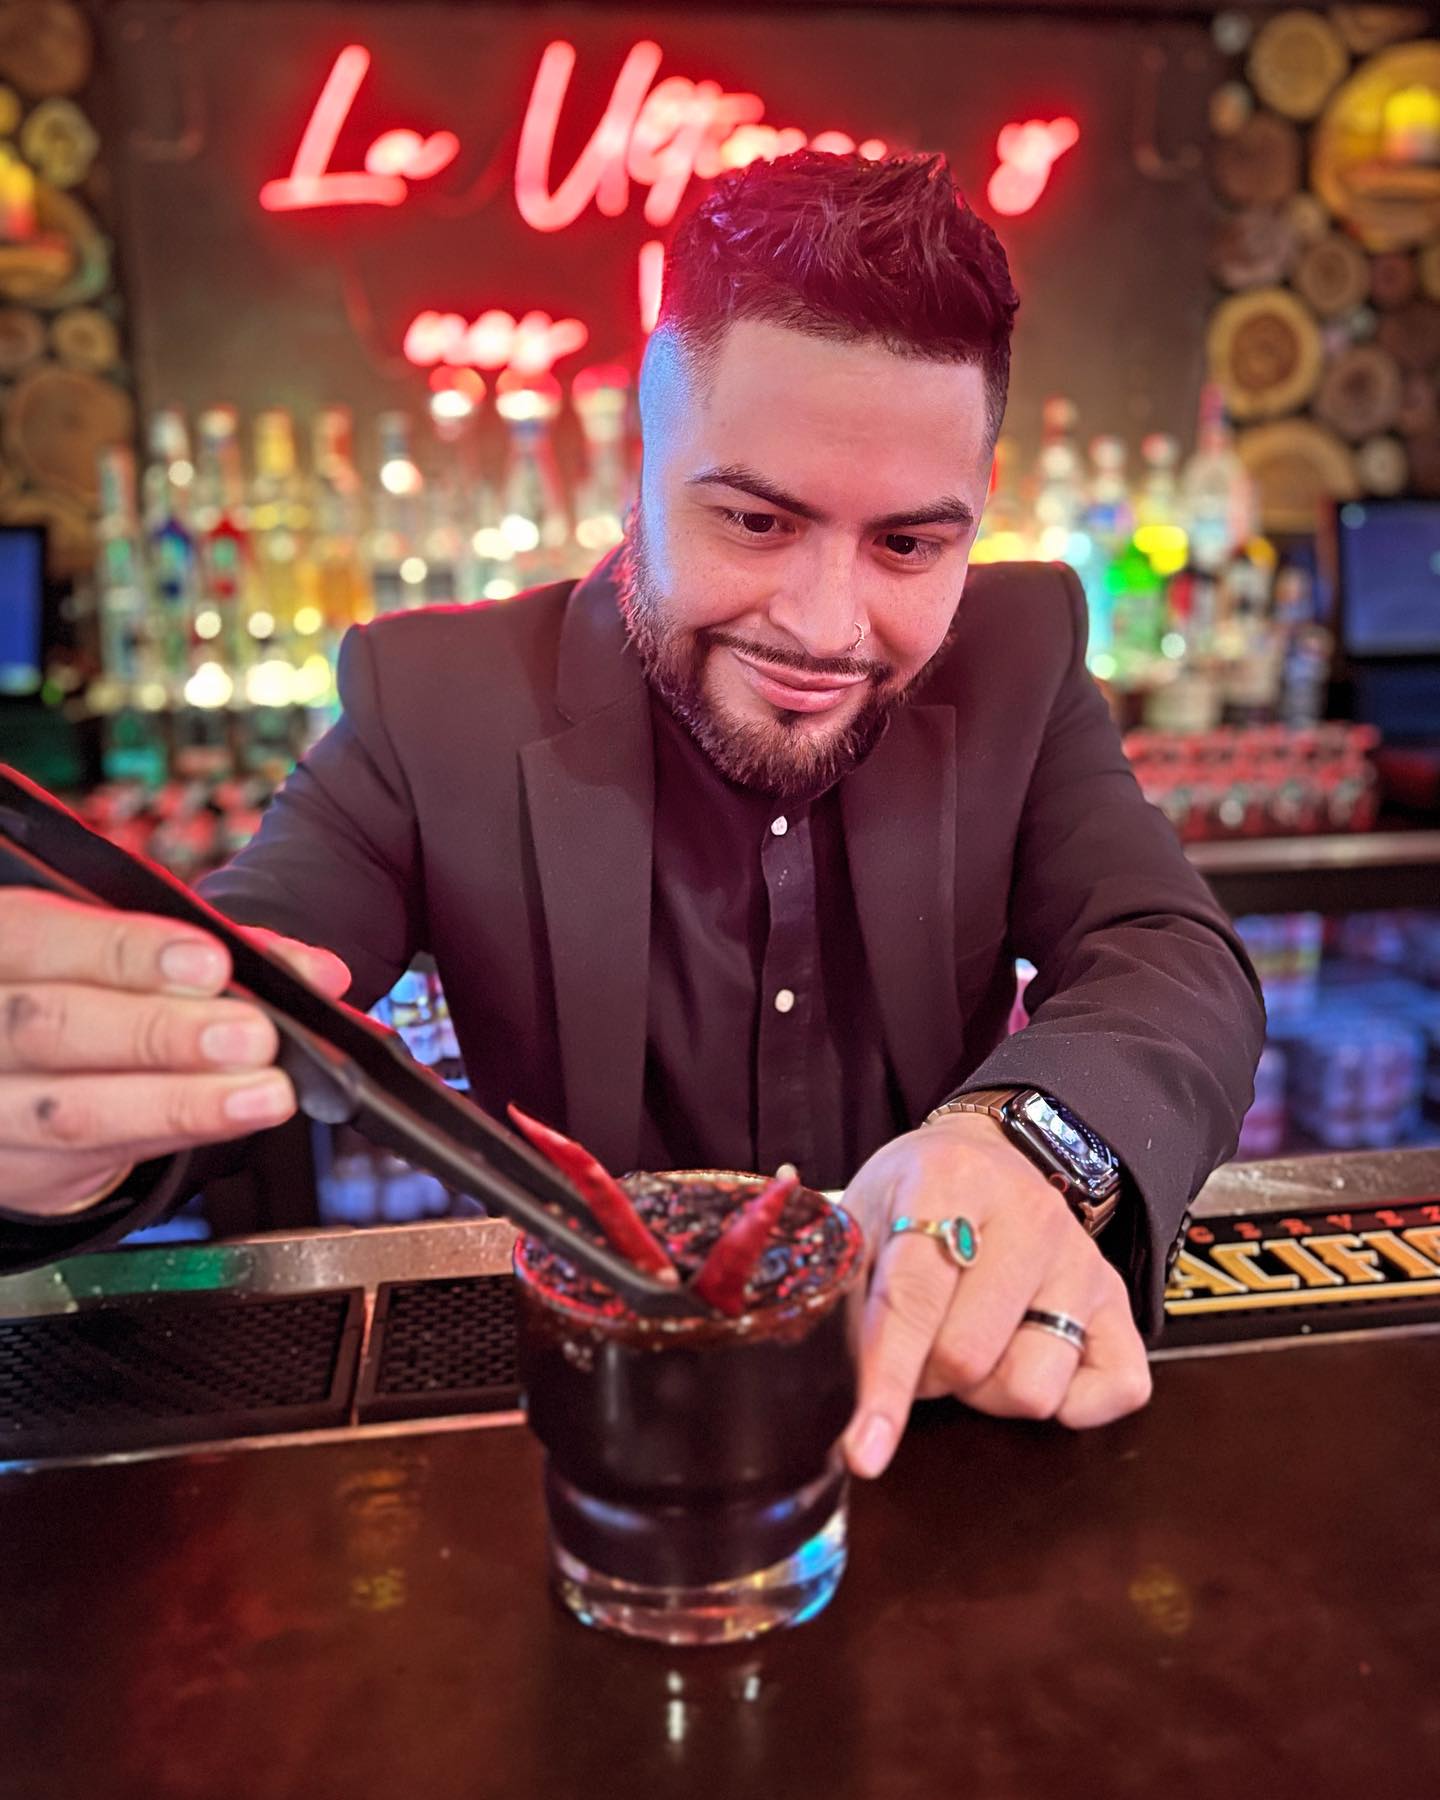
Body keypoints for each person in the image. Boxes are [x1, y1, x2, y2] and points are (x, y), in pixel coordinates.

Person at [0, 151, 1264, 1476]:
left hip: (932, 1409)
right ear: (639, 465)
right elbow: (237, 1002)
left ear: (975, 514)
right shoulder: (433, 699)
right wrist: (68, 1131)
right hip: (586, 1424)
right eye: (756, 520)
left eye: (908, 545)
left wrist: (1022, 1141)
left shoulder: (1022, 651)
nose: (827, 630)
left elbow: (1172, 955)